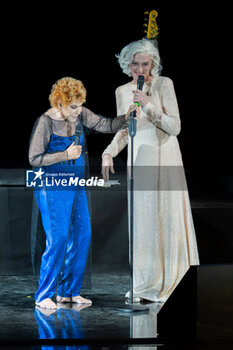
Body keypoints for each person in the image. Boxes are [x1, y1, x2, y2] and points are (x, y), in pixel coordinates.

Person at [102, 38, 200, 303]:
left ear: (153, 64)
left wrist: (148, 104)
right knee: (143, 220)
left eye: (145, 64)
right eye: (135, 64)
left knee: (166, 216)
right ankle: (145, 282)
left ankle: (172, 280)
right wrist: (109, 151)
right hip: (139, 158)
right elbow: (125, 130)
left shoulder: (164, 84)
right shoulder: (122, 91)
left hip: (165, 155)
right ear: (128, 64)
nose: (140, 69)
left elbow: (175, 127)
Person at [29, 77, 139, 309]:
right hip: (53, 187)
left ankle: (69, 292)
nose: (78, 111)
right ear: (59, 103)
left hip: (76, 185)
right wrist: (64, 156)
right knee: (58, 239)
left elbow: (104, 124)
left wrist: (126, 119)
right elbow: (34, 159)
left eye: (80, 105)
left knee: (82, 235)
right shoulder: (45, 122)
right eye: (73, 106)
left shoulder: (79, 113)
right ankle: (43, 295)